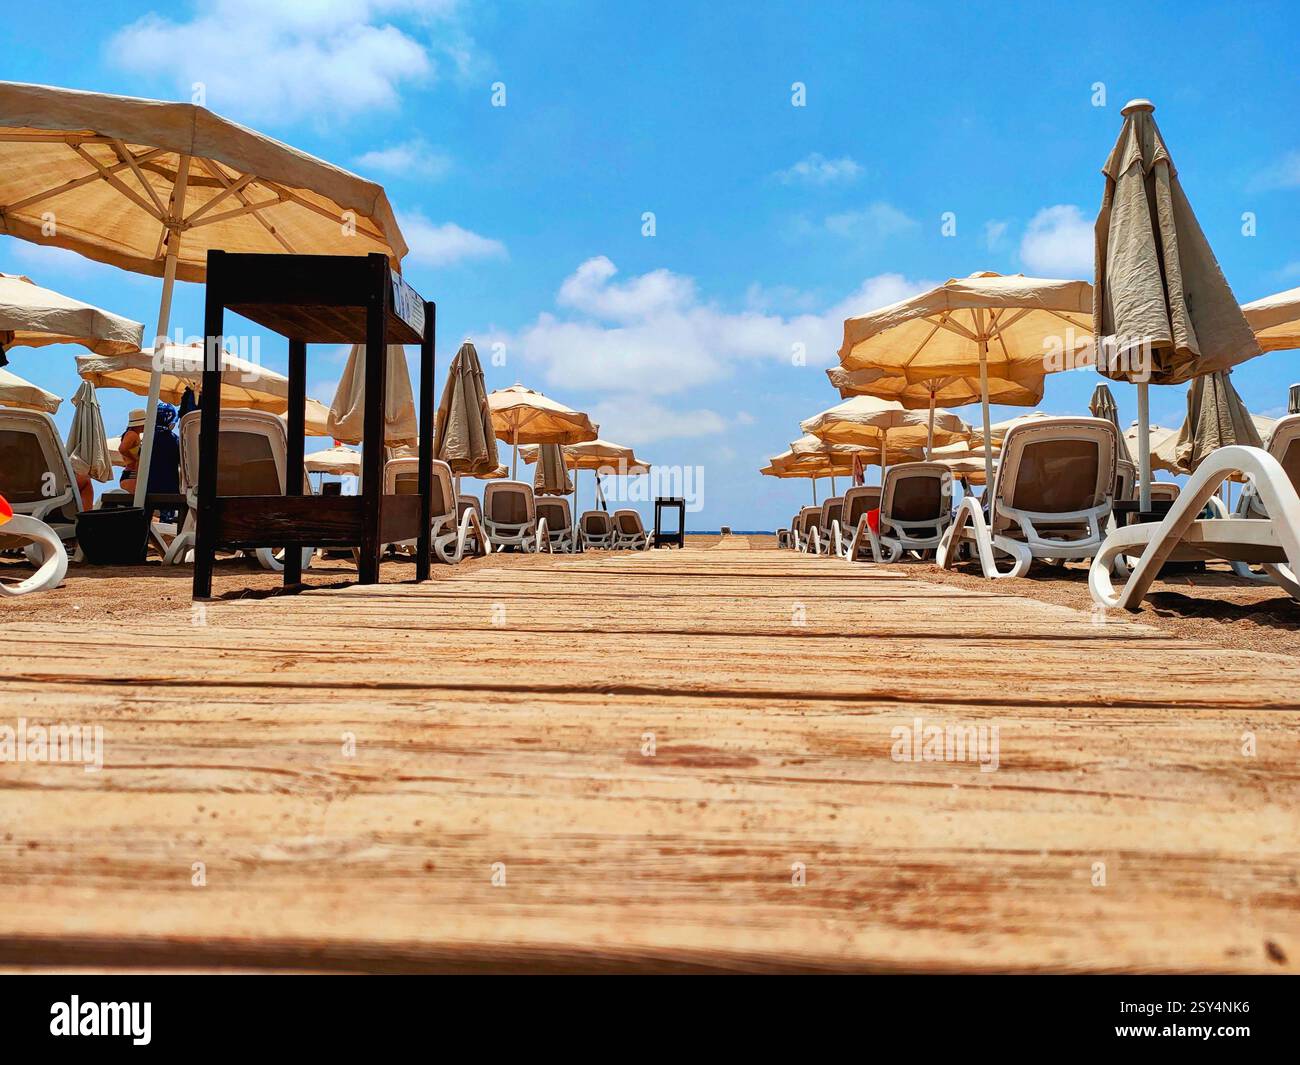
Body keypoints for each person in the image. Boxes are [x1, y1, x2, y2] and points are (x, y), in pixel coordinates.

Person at [119, 404, 181, 521]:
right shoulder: (174, 440)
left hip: (145, 488)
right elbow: (181, 462)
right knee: (167, 519)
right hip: (168, 491)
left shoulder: (146, 439)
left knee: (144, 517)